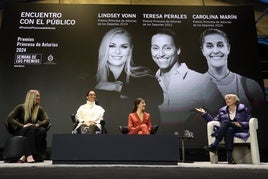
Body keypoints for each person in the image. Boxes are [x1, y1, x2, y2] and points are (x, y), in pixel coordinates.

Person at [151, 28, 224, 134]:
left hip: (192, 148)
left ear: (178, 50)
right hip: (158, 147)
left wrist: (198, 129)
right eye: (155, 48)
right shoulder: (149, 83)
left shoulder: (202, 81)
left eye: (167, 48)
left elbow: (223, 119)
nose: (160, 53)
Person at [94, 27, 163, 134]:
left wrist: (118, 87)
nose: (117, 51)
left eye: (124, 46)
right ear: (104, 48)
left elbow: (158, 98)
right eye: (112, 46)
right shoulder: (90, 79)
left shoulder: (144, 76)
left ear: (130, 49)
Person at [200, 28, 265, 113]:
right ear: (203, 50)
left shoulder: (250, 85)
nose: (215, 51)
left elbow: (262, 120)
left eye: (220, 45)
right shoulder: (195, 86)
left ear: (228, 48)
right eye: (209, 46)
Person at [196, 94, 252, 164]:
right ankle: (230, 158)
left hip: (240, 129)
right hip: (228, 130)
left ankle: (215, 144)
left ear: (235, 100)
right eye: (226, 99)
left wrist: (241, 124)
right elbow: (213, 121)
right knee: (229, 130)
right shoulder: (222, 111)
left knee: (226, 122)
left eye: (229, 98)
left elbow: (249, 122)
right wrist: (204, 113)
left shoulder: (243, 109)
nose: (227, 100)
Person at [7, 89, 50, 163]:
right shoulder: (21, 107)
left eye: (39, 96)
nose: (39, 97)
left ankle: (25, 155)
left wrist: (37, 124)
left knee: (42, 130)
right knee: (32, 128)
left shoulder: (39, 109)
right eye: (37, 96)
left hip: (33, 131)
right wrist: (23, 126)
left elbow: (47, 119)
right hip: (21, 131)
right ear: (31, 97)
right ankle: (29, 155)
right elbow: (10, 118)